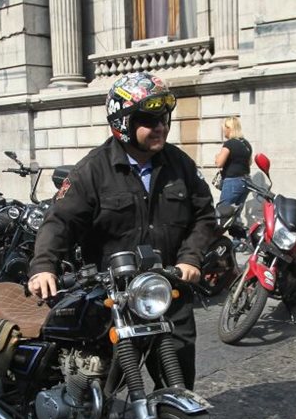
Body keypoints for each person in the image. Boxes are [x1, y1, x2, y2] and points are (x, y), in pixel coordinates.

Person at [28, 72, 215, 387]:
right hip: (114, 297)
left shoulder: (180, 164)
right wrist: (44, 266)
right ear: (123, 123)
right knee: (98, 386)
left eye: (164, 118)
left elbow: (204, 216)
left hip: (167, 291)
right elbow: (61, 221)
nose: (160, 126)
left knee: (179, 384)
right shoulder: (92, 170)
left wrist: (191, 259)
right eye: (148, 118)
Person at [214, 116, 252, 209]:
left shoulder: (229, 144)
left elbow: (219, 163)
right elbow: (249, 162)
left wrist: (217, 156)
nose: (223, 131)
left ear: (229, 128)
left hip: (232, 181)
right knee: (236, 214)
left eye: (224, 128)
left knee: (223, 212)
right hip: (245, 181)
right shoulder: (246, 144)